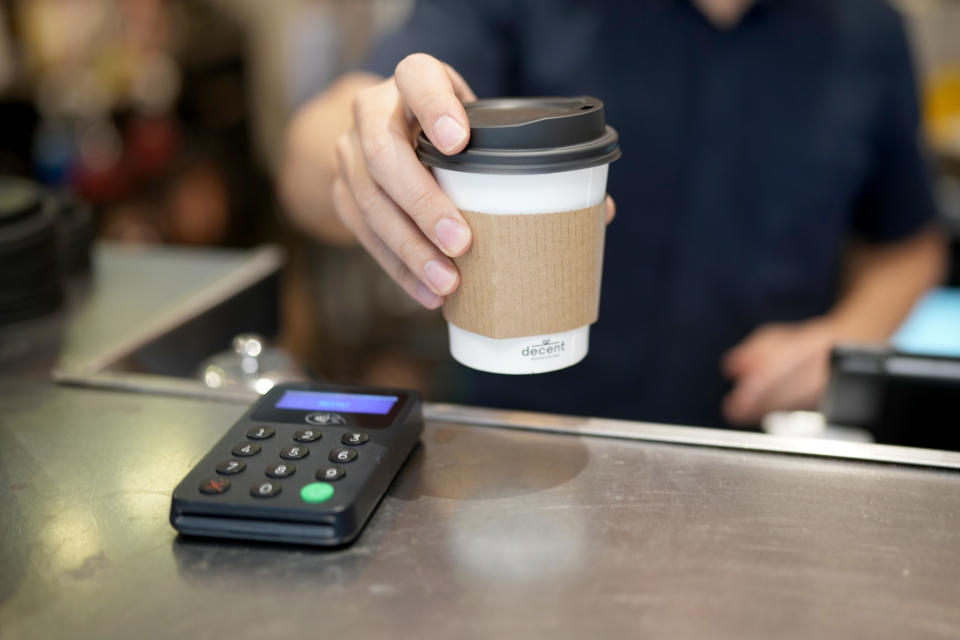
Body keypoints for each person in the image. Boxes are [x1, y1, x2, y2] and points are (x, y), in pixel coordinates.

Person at [280, 0, 947, 429]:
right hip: (521, 443)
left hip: (754, 453)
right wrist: (364, 147)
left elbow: (908, 244)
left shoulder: (869, 31)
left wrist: (849, 336)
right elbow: (314, 151)